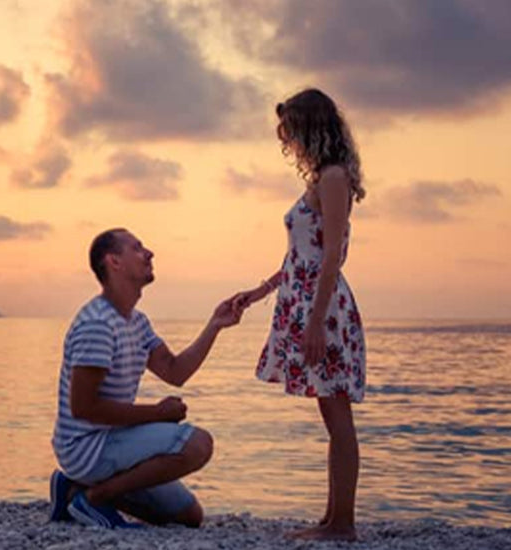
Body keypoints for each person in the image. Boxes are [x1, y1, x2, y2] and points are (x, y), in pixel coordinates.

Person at [233, 88, 367, 542]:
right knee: (331, 415)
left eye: (291, 131)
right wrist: (260, 291)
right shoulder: (320, 179)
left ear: (310, 126)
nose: (287, 143)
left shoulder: (333, 178)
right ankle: (333, 519)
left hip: (322, 307)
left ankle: (342, 524)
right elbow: (299, 256)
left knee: (337, 416)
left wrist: (315, 321)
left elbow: (331, 259)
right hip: (307, 299)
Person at [48, 228, 244, 529]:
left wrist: (215, 325)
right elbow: (84, 408)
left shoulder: (137, 322)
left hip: (107, 442)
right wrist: (158, 414)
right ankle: (96, 497)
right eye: (138, 248)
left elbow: (175, 371)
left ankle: (72, 488)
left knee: (190, 516)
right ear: (113, 262)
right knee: (197, 444)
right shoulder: (97, 324)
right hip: (86, 447)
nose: (149, 253)